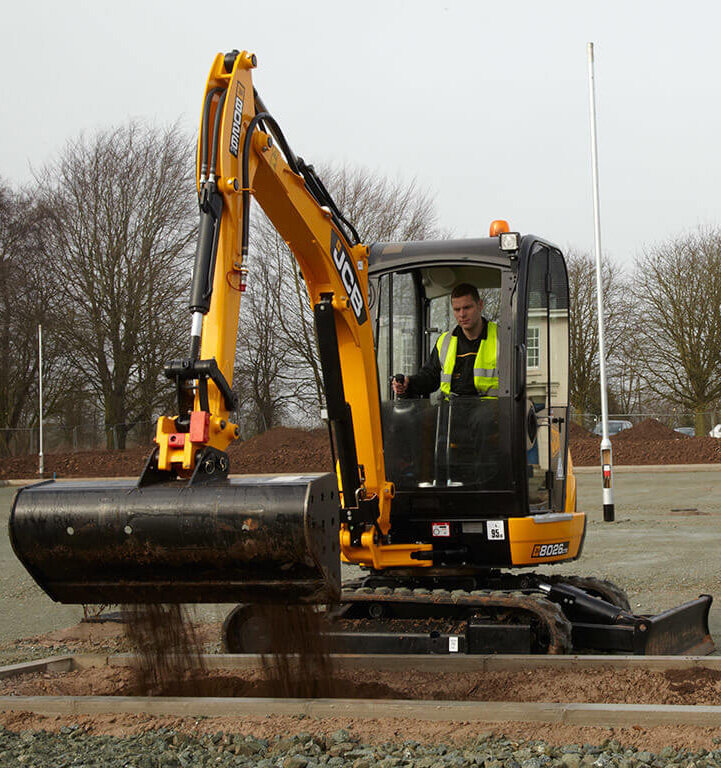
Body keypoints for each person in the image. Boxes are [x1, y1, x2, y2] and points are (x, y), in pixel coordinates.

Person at [392, 283, 499, 399]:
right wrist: (409, 382)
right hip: (452, 408)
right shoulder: (444, 341)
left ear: (480, 305)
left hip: (492, 409)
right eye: (457, 309)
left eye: (467, 308)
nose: (462, 314)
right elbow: (430, 377)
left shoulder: (502, 339)